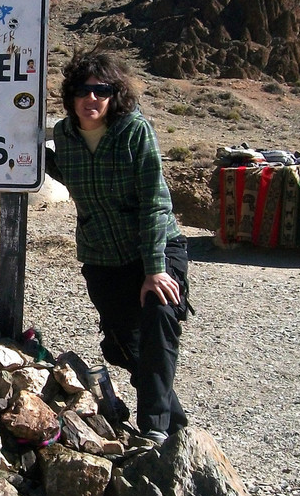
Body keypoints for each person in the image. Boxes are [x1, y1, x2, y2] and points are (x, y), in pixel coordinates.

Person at [47, 49, 193, 445]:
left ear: (114, 95)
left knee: (159, 315)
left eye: (101, 90)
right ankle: (175, 426)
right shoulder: (63, 136)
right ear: (70, 95)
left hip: (155, 249)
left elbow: (154, 200)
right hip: (102, 256)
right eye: (82, 90)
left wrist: (154, 269)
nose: (90, 98)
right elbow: (71, 171)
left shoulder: (132, 130)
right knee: (123, 345)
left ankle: (155, 427)